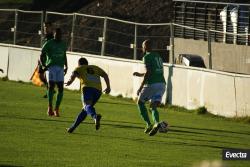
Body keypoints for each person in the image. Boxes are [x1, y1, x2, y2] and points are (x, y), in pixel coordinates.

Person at [65, 57, 111, 133]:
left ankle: (95, 117)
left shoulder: (80, 68)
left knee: (87, 106)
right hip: (98, 90)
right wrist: (108, 87)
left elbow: (74, 75)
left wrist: (70, 82)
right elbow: (105, 75)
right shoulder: (95, 67)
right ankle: (72, 128)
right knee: (86, 109)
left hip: (87, 88)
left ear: (79, 64)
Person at [133, 39, 166, 136]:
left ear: (146, 47)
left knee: (140, 102)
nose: (142, 48)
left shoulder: (146, 57)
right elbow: (153, 71)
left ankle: (148, 124)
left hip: (152, 84)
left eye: (143, 46)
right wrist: (140, 74)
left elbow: (149, 72)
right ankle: (156, 123)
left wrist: (140, 87)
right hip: (162, 84)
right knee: (153, 106)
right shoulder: (157, 56)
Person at [40, 28, 68, 117]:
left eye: (60, 35)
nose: (59, 36)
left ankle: (56, 109)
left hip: (60, 68)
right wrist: (43, 65)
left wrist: (66, 66)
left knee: (60, 88)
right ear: (54, 34)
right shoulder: (49, 43)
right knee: (51, 86)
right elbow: (41, 54)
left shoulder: (63, 44)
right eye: (57, 35)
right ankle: (50, 107)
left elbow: (64, 55)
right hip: (51, 67)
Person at [38, 21, 54, 98]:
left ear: (51, 28)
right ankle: (50, 90)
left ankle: (50, 92)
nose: (45, 28)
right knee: (41, 76)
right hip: (42, 59)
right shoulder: (44, 37)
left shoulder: (52, 38)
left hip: (47, 59)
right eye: (44, 27)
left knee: (47, 76)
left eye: (47, 27)